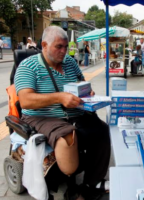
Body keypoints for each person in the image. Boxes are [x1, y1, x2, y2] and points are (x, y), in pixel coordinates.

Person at [14, 26, 110, 200]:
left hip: (74, 113)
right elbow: (26, 100)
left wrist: (88, 93)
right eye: (59, 47)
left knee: (102, 130)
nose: (64, 51)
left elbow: (82, 82)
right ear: (44, 44)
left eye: (66, 47)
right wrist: (59, 97)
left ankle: (92, 183)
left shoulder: (70, 62)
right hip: (42, 116)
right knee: (68, 135)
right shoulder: (28, 66)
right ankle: (67, 176)